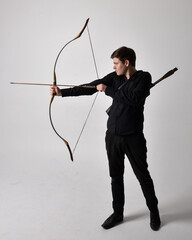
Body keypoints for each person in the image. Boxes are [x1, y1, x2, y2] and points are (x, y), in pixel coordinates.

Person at [50, 46, 161, 231]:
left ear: (127, 62)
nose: (114, 67)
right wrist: (62, 92)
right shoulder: (114, 78)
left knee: (143, 176)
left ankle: (154, 212)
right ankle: (118, 213)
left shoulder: (144, 78)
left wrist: (108, 90)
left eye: (116, 63)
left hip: (133, 138)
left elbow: (133, 99)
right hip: (113, 137)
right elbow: (91, 86)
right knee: (115, 176)